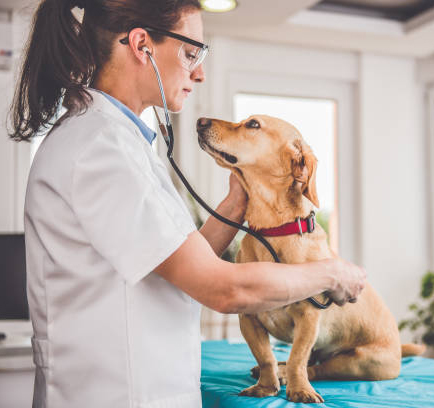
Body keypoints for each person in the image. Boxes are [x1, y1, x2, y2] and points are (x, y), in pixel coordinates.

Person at [8, 0, 366, 407]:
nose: (200, 72)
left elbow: (174, 262)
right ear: (142, 45)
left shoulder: (119, 143)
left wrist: (235, 204)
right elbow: (221, 288)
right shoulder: (100, 150)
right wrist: (332, 272)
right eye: (191, 53)